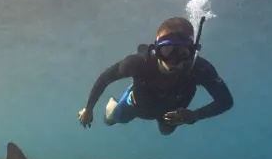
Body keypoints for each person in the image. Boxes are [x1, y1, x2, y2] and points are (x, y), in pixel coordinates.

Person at [77, 17, 233, 135]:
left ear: (192, 52)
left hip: (171, 114)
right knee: (113, 119)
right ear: (156, 49)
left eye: (182, 52)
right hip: (138, 105)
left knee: (166, 132)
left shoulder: (200, 69)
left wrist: (195, 115)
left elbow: (226, 101)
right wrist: (88, 109)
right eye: (167, 51)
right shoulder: (137, 63)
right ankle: (117, 102)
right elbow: (105, 78)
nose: (173, 60)